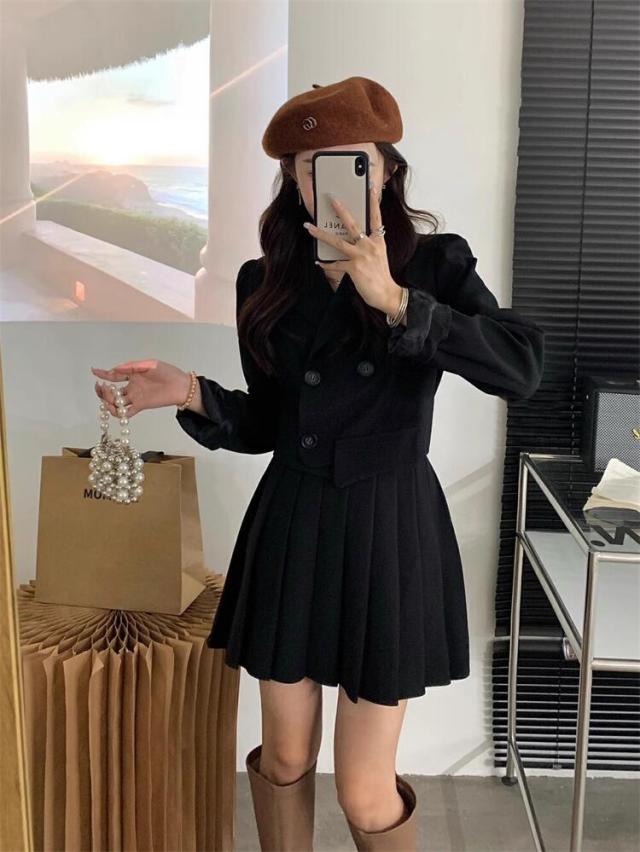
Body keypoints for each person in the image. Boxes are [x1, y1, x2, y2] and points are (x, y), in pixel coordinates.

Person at [91, 76, 545, 851]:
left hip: (388, 526)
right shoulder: (264, 281)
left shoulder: (434, 266)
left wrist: (396, 301)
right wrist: (191, 391)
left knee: (365, 790)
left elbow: (521, 369)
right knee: (286, 756)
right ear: (293, 179)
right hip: (296, 521)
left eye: (351, 162)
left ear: (386, 171)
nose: (326, 179)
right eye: (308, 165)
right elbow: (272, 422)